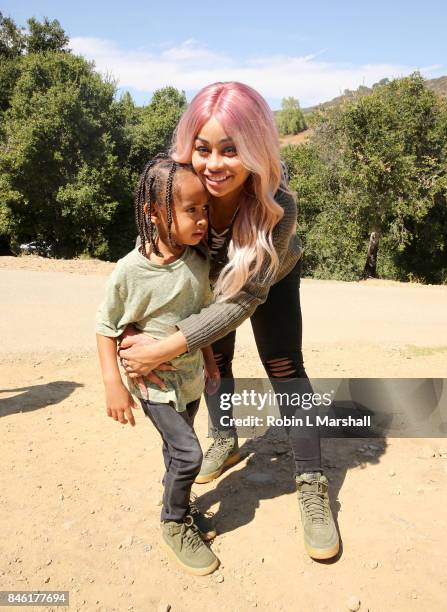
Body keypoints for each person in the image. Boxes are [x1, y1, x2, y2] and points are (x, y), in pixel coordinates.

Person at [119, 82, 340, 560]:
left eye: (231, 149)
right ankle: (225, 440)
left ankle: (312, 483)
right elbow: (151, 257)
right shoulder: (176, 182)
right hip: (207, 284)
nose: (214, 164)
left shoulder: (279, 203)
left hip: (269, 278)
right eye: (203, 149)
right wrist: (135, 326)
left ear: (256, 150)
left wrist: (165, 346)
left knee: (283, 365)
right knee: (213, 360)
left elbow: (244, 301)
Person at [95, 155, 221, 576]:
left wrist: (209, 361)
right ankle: (172, 522)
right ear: (153, 213)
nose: (201, 219)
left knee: (175, 452)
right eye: (190, 210)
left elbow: (202, 316)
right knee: (189, 455)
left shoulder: (198, 261)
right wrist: (113, 383)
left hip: (189, 380)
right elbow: (105, 326)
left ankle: (180, 506)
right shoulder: (130, 271)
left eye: (204, 209)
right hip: (153, 386)